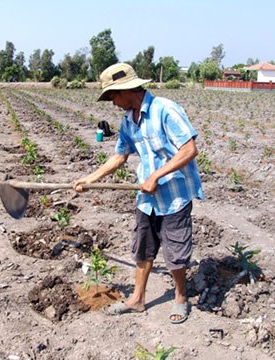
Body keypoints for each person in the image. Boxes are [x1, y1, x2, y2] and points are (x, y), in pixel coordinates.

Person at [74, 63, 203, 324]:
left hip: (174, 195)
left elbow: (189, 150)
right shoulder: (127, 120)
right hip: (146, 199)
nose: (112, 103)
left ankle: (180, 296)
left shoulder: (165, 110)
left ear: (127, 89)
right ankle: (138, 299)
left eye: (113, 96)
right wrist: (90, 179)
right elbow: (120, 156)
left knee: (175, 252)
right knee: (143, 248)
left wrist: (156, 175)